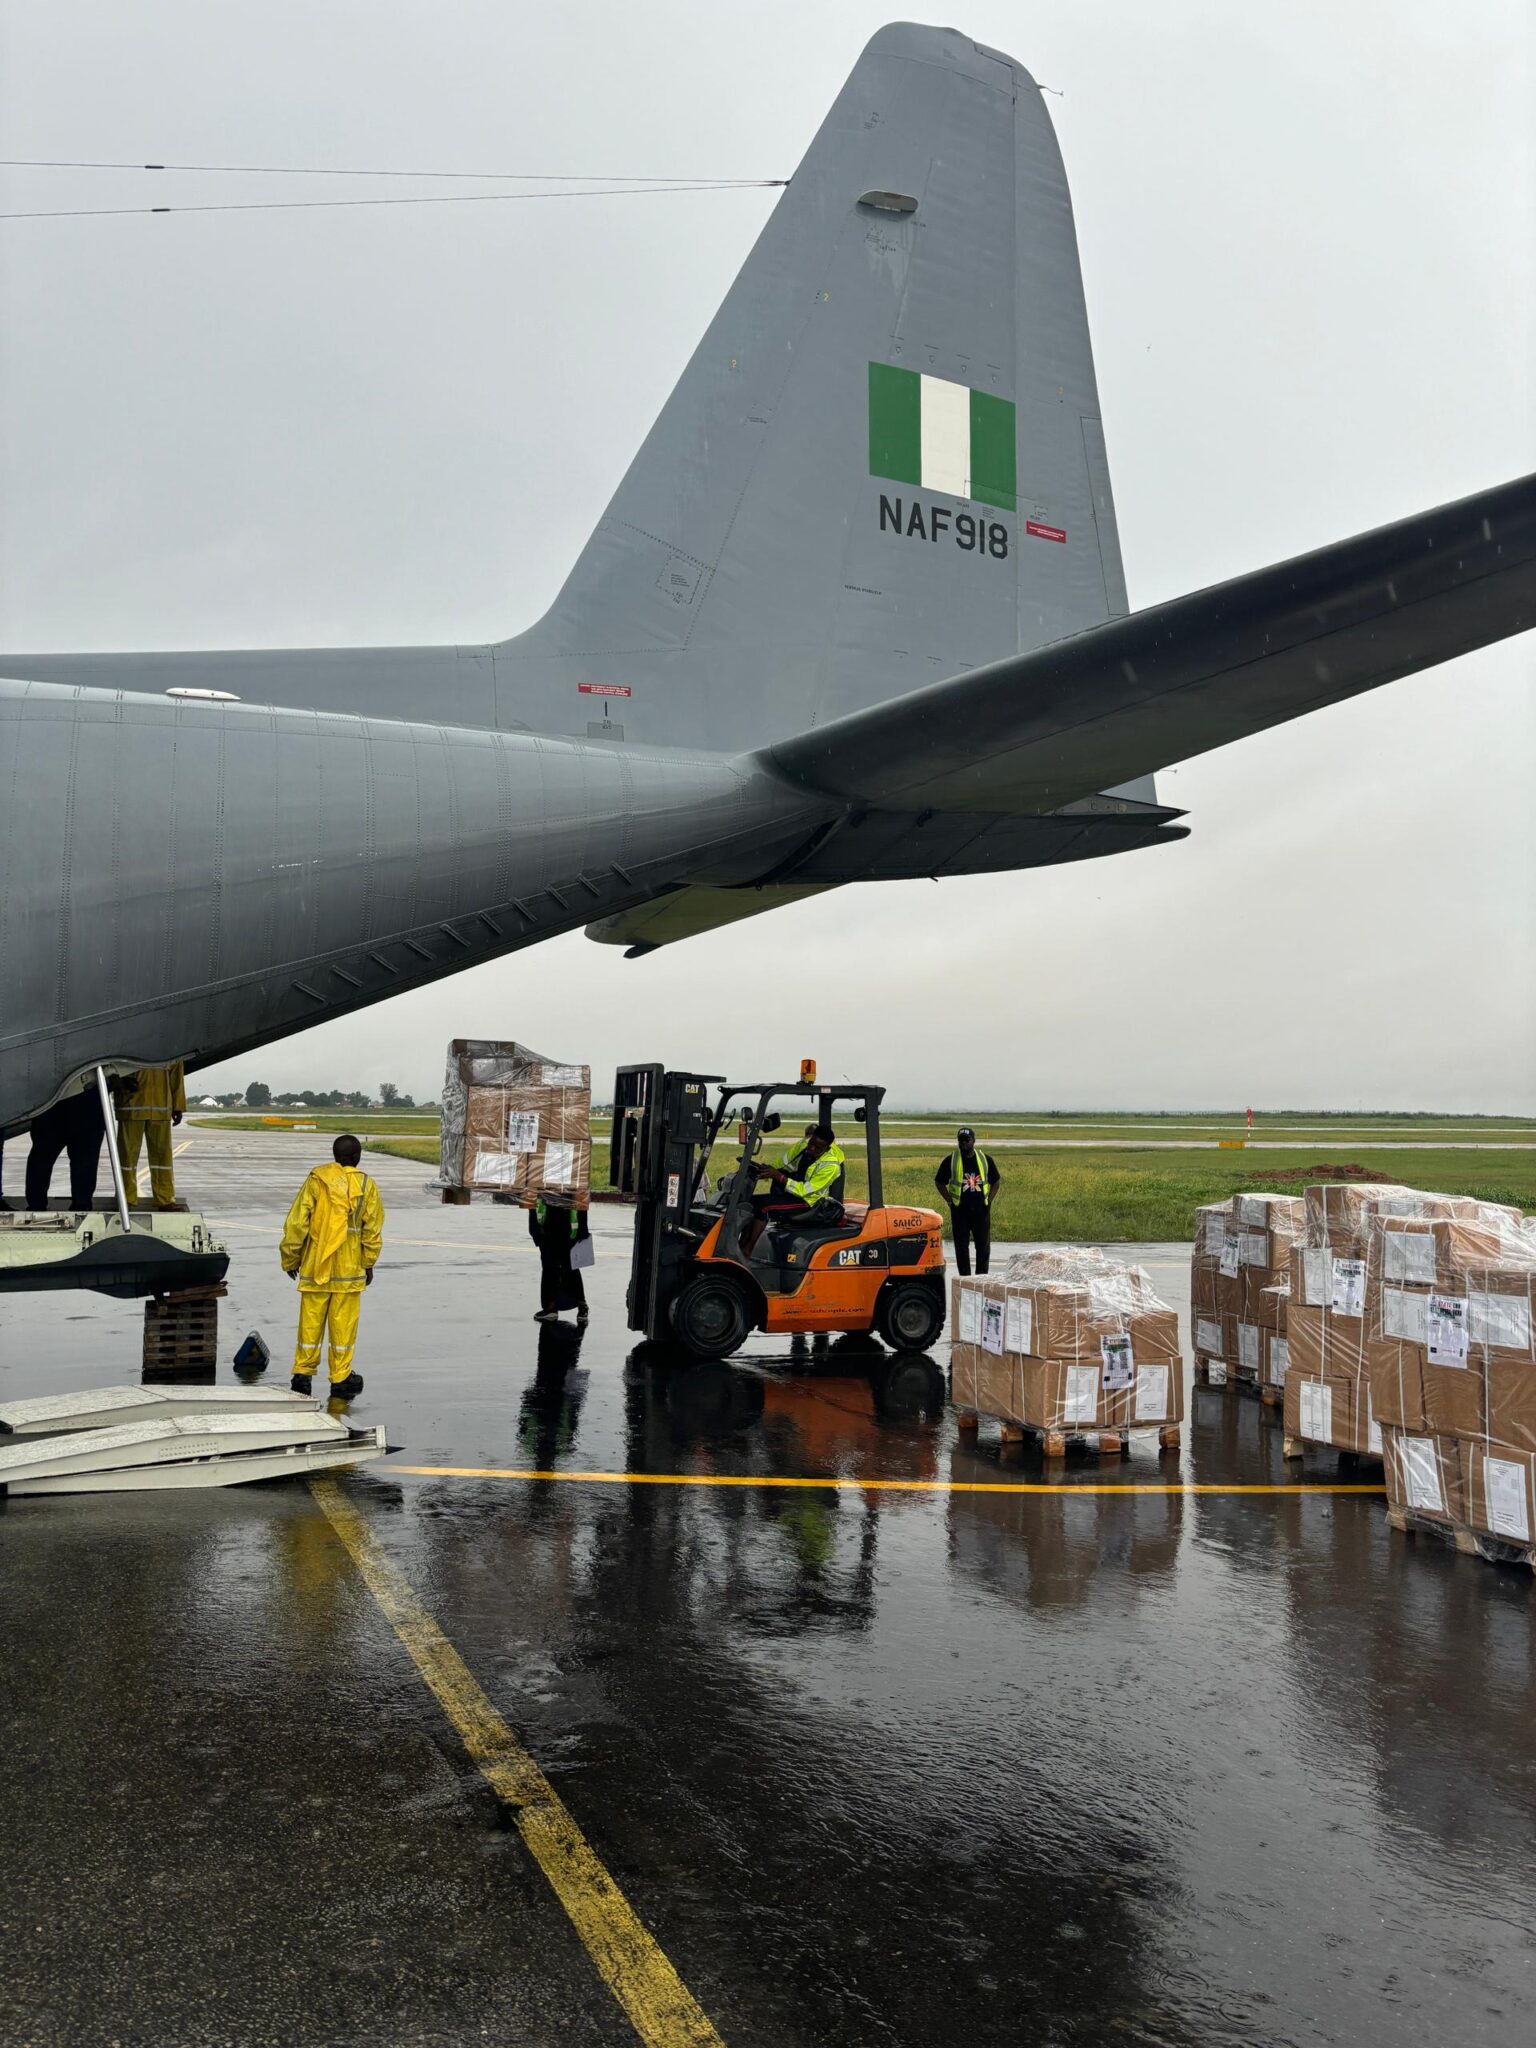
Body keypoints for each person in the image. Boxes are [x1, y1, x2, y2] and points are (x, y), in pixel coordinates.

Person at [279, 1133, 384, 1399]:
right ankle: (341, 1377)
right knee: (344, 1325)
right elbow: (372, 1229)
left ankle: (302, 1374)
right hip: (349, 1269)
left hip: (317, 1265)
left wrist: (291, 1257)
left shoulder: (317, 1180)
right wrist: (368, 1262)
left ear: (335, 1156)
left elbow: (297, 1223)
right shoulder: (366, 1185)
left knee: (310, 1323)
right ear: (357, 1157)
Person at [747, 1123, 845, 1242]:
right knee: (751, 1202)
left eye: (818, 1148)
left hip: (809, 1203)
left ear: (827, 1148)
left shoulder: (830, 1166)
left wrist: (778, 1176)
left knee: (764, 1207)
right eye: (811, 1143)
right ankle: (740, 1246)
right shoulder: (803, 1146)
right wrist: (764, 1171)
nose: (812, 1149)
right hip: (793, 1195)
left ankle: (747, 1251)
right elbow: (784, 1165)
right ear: (811, 1138)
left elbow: (805, 1191)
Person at [24, 1080, 108, 1211]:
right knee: (84, 1161)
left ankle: (36, 1203)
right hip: (84, 1105)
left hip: (53, 1104)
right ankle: (81, 1204)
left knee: (42, 1158)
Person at [116, 1060, 186, 1209]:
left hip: (157, 1109)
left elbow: (176, 1075)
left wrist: (177, 1106)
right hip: (132, 1107)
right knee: (127, 1158)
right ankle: (126, 1198)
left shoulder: (172, 1046)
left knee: (163, 1159)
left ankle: (165, 1199)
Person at [934, 1126, 1001, 1275]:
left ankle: (981, 1278)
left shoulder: (985, 1159)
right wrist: (949, 1200)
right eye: (961, 1140)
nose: (963, 1143)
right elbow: (939, 1182)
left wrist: (989, 1200)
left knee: (983, 1246)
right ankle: (964, 1278)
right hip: (960, 1211)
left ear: (974, 1141)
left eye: (967, 1140)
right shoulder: (951, 1160)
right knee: (961, 1246)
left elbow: (996, 1181)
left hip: (981, 1210)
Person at [529, 1196, 590, 1322]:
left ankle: (551, 1308)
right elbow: (582, 1195)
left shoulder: (544, 1181)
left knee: (551, 1267)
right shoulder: (574, 1181)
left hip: (550, 1227)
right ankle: (580, 1306)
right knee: (569, 1266)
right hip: (567, 1226)